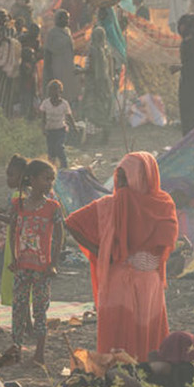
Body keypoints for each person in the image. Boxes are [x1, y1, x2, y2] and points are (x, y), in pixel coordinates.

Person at [66, 151, 178, 358]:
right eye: (121, 178)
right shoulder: (156, 205)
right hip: (129, 281)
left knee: (132, 340)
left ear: (144, 178)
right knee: (130, 341)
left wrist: (103, 250)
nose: (123, 185)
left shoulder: (154, 204)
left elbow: (73, 223)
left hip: (142, 283)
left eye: (127, 178)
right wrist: (99, 250)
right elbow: (72, 223)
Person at [10, 159, 64, 363]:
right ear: (32, 179)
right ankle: (16, 350)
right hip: (22, 266)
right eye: (45, 178)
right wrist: (14, 258)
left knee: (40, 310)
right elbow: (12, 230)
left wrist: (54, 263)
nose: (49, 183)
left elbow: (59, 235)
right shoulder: (18, 204)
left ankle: (39, 353)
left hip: (42, 268)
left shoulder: (52, 207)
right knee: (18, 309)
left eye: (51, 179)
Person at [42, 10, 78, 102]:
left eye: (68, 19)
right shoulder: (52, 33)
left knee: (68, 90)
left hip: (68, 65)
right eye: (64, 18)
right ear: (57, 19)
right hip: (57, 66)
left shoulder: (67, 31)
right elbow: (48, 52)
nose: (67, 21)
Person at [39, 79, 76, 169]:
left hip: (61, 130)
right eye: (52, 90)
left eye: (56, 90)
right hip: (50, 131)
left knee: (59, 147)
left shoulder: (64, 104)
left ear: (60, 91)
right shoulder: (45, 103)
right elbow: (43, 119)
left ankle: (64, 166)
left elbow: (69, 116)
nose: (54, 93)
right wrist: (43, 129)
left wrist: (74, 127)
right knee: (51, 152)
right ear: (49, 92)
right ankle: (51, 169)